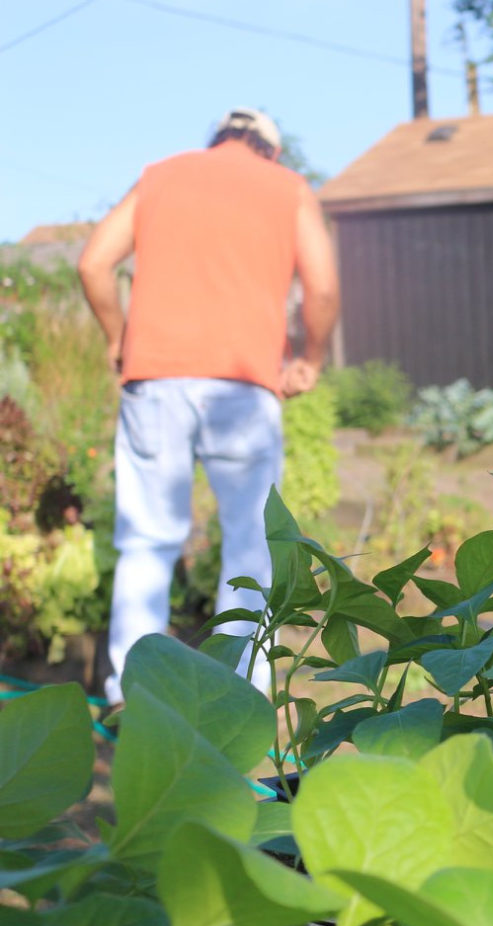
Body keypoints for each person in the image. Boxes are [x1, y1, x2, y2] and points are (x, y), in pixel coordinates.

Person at [78, 107, 339, 707]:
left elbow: (93, 263)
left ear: (217, 140)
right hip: (244, 386)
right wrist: (311, 358)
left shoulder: (161, 176)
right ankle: (241, 693)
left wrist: (118, 339)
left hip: (155, 380)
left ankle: (131, 692)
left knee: (146, 539)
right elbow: (321, 288)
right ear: (269, 150)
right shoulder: (287, 186)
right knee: (252, 541)